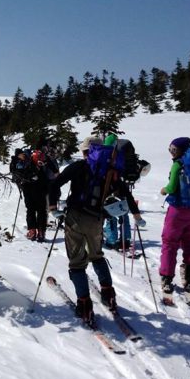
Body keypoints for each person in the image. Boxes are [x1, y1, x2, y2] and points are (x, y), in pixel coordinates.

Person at [48, 136, 145, 323]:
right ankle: (108, 294)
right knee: (97, 255)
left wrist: (53, 209)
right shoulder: (110, 171)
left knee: (77, 263)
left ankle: (84, 305)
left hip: (75, 218)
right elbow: (126, 194)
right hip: (96, 220)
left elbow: (55, 183)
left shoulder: (79, 166)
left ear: (86, 151)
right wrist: (137, 216)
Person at [159, 137, 190, 293]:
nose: (171, 152)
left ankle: (166, 276)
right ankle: (189, 276)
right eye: (170, 149)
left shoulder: (179, 165)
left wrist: (164, 190)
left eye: (173, 149)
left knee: (170, 242)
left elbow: (171, 188)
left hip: (178, 210)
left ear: (180, 150)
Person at [10, 148, 49, 242]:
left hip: (28, 188)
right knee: (41, 210)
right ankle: (41, 232)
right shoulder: (38, 162)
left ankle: (32, 232)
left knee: (31, 210)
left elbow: (14, 171)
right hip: (41, 189)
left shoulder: (24, 163)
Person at [102, 133, 132, 250]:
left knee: (111, 215)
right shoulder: (122, 155)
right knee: (123, 213)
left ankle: (112, 240)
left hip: (110, 189)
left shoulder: (106, 155)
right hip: (123, 188)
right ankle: (126, 239)